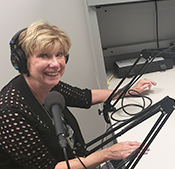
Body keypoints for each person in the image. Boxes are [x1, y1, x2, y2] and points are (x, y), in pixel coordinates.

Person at [0, 21, 157, 169]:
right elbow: (49, 167)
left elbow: (84, 97)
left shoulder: (48, 84)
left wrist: (128, 91)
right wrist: (107, 153)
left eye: (59, 54)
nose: (55, 64)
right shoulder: (10, 111)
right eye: (44, 56)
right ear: (22, 62)